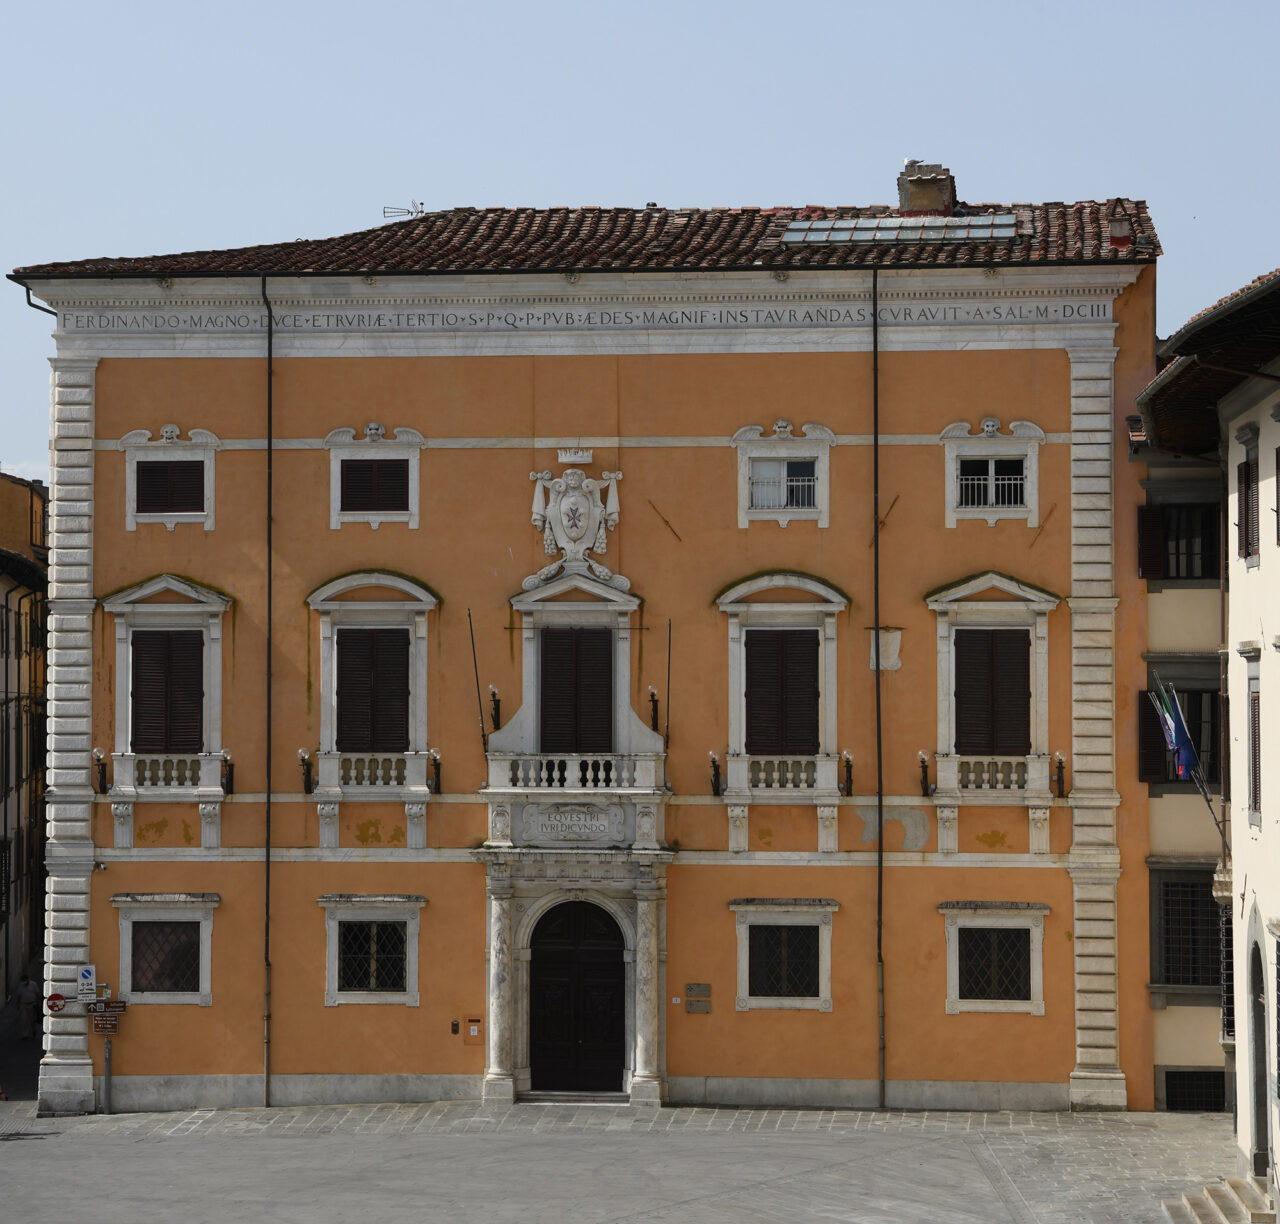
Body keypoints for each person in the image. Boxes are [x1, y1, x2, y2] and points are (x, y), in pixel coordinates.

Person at [17, 975, 40, 1040]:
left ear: (28, 980)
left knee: (32, 1020)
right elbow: (19, 995)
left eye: (25, 981)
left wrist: (38, 1003)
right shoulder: (20, 986)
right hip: (23, 1004)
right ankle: (25, 1035)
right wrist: (17, 1004)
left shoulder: (33, 984)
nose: (24, 983)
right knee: (24, 1020)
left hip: (32, 1004)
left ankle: (33, 1030)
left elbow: (37, 993)